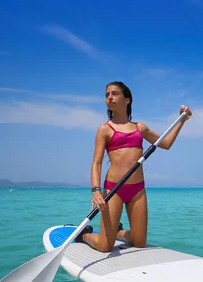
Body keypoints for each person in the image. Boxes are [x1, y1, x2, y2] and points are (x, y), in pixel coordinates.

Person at [77, 81, 192, 252]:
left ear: (127, 99)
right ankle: (85, 235)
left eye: (114, 93)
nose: (109, 97)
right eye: (107, 94)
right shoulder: (105, 129)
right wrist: (96, 190)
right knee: (104, 247)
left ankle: (118, 232)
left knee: (139, 242)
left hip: (137, 190)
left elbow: (165, 143)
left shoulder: (140, 128)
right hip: (113, 190)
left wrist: (182, 120)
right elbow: (97, 162)